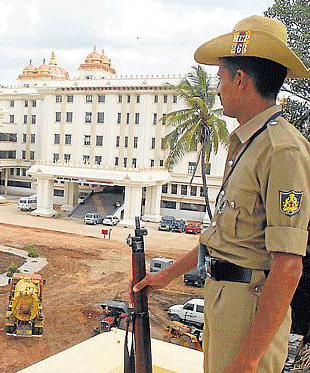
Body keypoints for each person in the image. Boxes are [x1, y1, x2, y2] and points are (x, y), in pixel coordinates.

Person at [132, 15, 309, 373]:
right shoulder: (247, 143)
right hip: (225, 302)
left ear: (240, 80)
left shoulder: (282, 150)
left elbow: (288, 266)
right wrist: (165, 276)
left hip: (249, 312)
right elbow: (222, 238)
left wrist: (249, 359)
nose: (216, 88)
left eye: (221, 77)